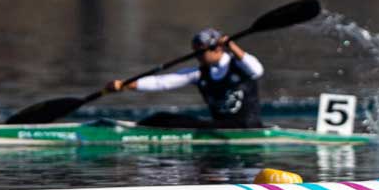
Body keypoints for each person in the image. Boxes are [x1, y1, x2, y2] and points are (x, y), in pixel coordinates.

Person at [106, 28, 265, 128]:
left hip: (247, 126)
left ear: (217, 49)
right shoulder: (199, 73)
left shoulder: (241, 66)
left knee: (169, 121)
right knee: (161, 118)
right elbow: (162, 82)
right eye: (195, 52)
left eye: (200, 52)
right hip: (220, 126)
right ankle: (140, 128)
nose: (197, 56)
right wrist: (125, 85)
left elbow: (257, 70)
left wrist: (232, 45)